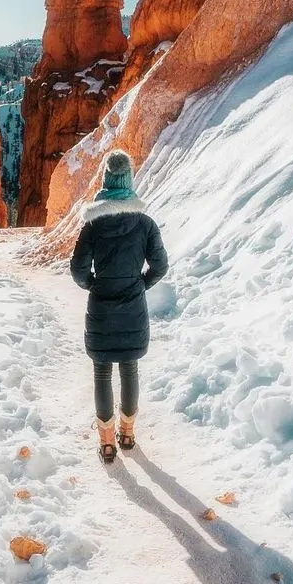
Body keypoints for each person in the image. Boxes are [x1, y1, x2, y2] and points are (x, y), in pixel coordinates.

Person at [69, 149, 168, 463]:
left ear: (106, 181)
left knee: (102, 374)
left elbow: (78, 270)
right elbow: (160, 266)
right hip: (133, 308)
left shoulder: (93, 226)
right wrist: (139, 284)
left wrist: (95, 284)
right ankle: (127, 433)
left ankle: (107, 442)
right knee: (129, 369)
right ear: (129, 181)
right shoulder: (145, 224)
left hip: (100, 308)